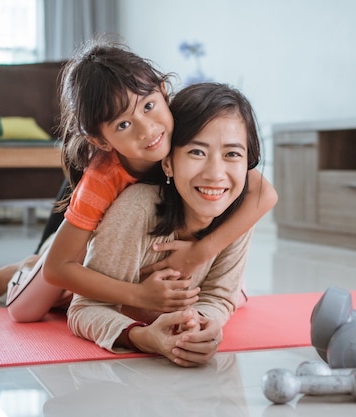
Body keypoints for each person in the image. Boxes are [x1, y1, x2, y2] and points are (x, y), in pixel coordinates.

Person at [0, 35, 277, 322]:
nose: (147, 130)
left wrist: (202, 252)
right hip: (84, 240)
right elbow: (58, 268)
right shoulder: (102, 179)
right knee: (29, 309)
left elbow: (265, 193)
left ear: (163, 91)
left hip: (134, 245)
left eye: (148, 106)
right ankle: (26, 266)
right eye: (123, 124)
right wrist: (140, 296)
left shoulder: (180, 129)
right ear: (100, 140)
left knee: (238, 295)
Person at [68, 82, 261, 367]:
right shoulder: (136, 211)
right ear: (168, 164)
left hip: (107, 251)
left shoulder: (239, 209)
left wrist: (200, 324)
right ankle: (23, 267)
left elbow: (219, 296)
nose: (215, 174)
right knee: (37, 296)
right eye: (197, 152)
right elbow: (82, 308)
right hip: (82, 264)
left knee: (239, 294)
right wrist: (143, 337)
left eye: (232, 154)